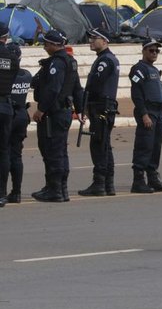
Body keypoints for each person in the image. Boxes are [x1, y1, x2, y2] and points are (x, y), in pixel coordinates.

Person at [31, 29, 82, 202]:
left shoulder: (57, 63)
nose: (44, 46)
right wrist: (80, 109)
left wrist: (41, 110)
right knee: (59, 151)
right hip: (64, 111)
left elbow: (53, 89)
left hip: (54, 113)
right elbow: (77, 88)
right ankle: (59, 188)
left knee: (52, 151)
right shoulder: (70, 61)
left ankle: (55, 190)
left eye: (46, 43)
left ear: (54, 45)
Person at [78, 28, 120, 197]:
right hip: (104, 106)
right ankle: (108, 184)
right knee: (104, 145)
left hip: (101, 106)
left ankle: (100, 183)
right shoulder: (107, 59)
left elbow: (95, 85)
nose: (91, 41)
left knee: (98, 145)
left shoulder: (105, 61)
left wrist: (84, 104)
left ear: (104, 41)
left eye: (94, 38)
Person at [128, 39, 162, 194]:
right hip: (148, 111)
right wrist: (144, 114)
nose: (154, 53)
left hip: (158, 112)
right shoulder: (139, 69)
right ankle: (138, 180)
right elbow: (136, 94)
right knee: (144, 145)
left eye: (157, 51)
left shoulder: (152, 69)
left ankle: (153, 177)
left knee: (155, 146)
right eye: (151, 50)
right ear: (144, 50)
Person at [3, 42, 31, 204]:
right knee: (16, 155)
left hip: (9, 115)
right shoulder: (26, 74)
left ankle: (3, 191)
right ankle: (17, 191)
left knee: (4, 154)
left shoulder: (7, 76)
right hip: (21, 115)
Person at [0, 25, 21, 207]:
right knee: (4, 151)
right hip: (5, 107)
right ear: (5, 38)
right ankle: (1, 194)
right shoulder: (12, 59)